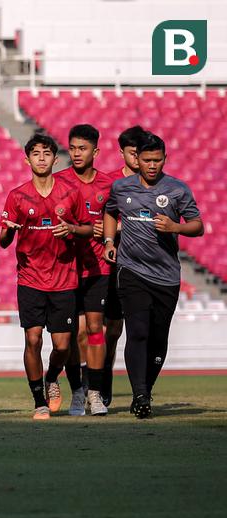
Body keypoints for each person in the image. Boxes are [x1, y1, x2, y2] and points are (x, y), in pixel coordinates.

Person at [103, 132, 203, 418]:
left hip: (167, 276)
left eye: (157, 160)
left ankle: (145, 389)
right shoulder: (121, 188)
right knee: (138, 332)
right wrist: (110, 242)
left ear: (164, 159)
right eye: (146, 160)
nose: (151, 165)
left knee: (158, 339)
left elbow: (198, 226)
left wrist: (176, 228)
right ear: (137, 159)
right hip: (131, 270)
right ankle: (141, 395)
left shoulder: (177, 190)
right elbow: (110, 212)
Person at [0, 133, 87, 420]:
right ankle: (39, 401)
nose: (41, 157)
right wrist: (9, 230)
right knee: (33, 340)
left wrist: (72, 229)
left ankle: (51, 378)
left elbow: (90, 229)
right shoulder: (17, 195)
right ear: (27, 159)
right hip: (30, 279)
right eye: (35, 153)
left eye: (46, 153)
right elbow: (2, 240)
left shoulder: (70, 194)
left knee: (63, 345)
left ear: (54, 158)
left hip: (63, 279)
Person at [54, 124, 116, 416]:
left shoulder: (107, 185)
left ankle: (95, 394)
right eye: (73, 147)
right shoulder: (58, 182)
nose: (76, 153)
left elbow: (116, 221)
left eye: (83, 148)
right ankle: (77, 390)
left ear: (96, 151)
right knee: (73, 334)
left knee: (94, 330)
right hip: (66, 269)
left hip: (97, 268)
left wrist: (109, 233)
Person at [101, 124, 149, 407]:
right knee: (113, 330)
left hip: (144, 267)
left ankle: (140, 392)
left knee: (139, 330)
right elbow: (100, 218)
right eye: (133, 153)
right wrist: (111, 230)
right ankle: (102, 380)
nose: (137, 159)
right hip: (115, 266)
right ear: (123, 153)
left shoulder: (155, 184)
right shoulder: (112, 183)